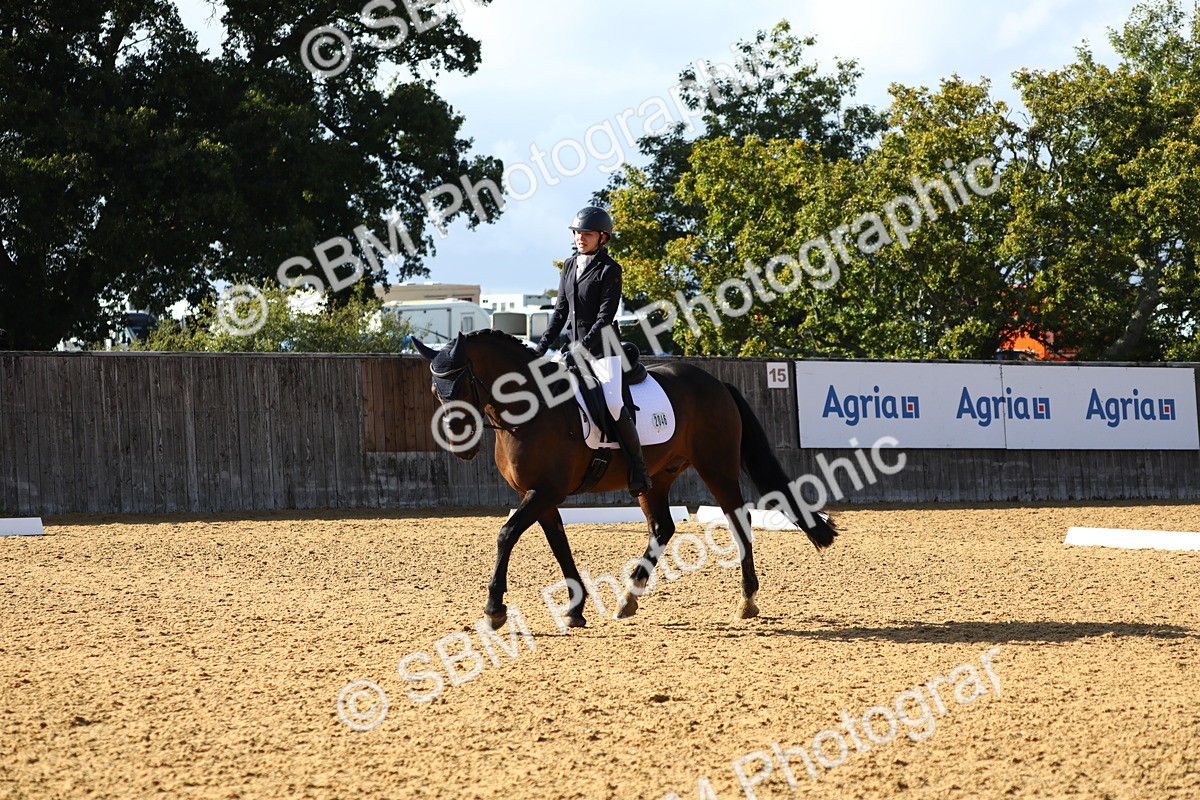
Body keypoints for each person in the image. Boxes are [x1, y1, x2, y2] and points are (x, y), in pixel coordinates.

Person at [534, 206, 652, 497]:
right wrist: (541, 347)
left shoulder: (610, 269)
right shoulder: (569, 265)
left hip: (603, 350)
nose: (580, 238)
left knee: (613, 404)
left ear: (603, 237)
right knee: (543, 391)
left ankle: (638, 468)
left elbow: (604, 318)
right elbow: (560, 312)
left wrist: (582, 349)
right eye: (577, 233)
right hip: (571, 348)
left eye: (587, 234)